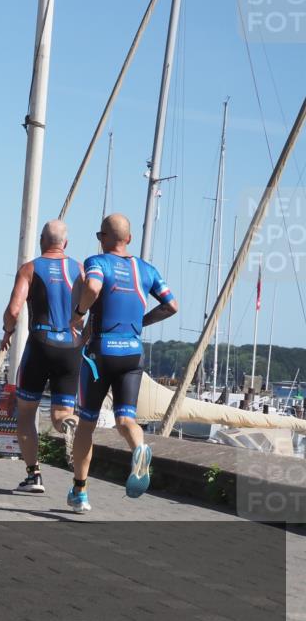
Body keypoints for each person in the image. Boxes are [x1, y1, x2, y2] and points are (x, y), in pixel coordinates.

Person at [68, 213, 178, 514]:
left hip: (100, 353)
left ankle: (80, 491)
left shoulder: (97, 262)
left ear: (102, 237)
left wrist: (78, 313)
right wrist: (141, 322)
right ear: (129, 239)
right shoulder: (146, 269)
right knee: (125, 419)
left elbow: (92, 288)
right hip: (132, 353)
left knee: (86, 424)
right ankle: (139, 449)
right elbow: (171, 305)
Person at [0, 220, 83, 495]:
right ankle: (67, 424)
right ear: (66, 244)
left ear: (40, 241)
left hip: (41, 343)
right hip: (72, 346)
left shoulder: (30, 268)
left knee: (25, 413)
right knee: (61, 413)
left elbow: (14, 310)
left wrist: (7, 332)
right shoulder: (81, 269)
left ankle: (33, 474)